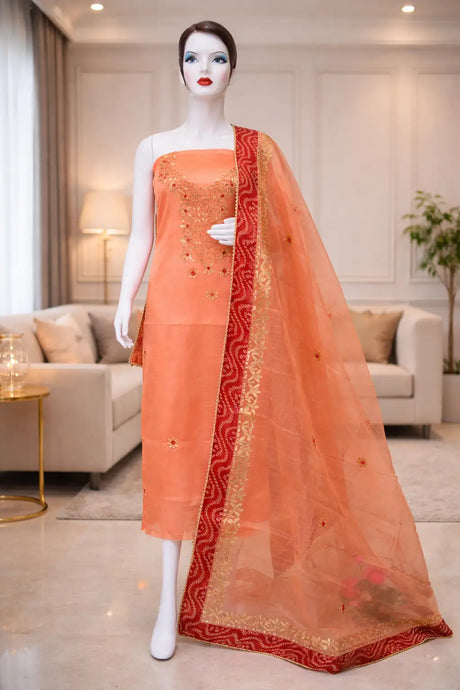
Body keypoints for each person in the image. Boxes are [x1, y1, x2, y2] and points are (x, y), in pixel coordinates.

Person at [114, 19, 453, 674]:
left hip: (240, 319)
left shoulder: (257, 149)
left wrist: (250, 227)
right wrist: (124, 300)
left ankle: (259, 584)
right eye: (193, 56)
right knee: (173, 450)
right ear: (178, 68)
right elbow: (140, 236)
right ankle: (167, 603)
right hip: (174, 318)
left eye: (218, 57)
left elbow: (291, 234)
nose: (204, 67)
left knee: (251, 451)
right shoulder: (152, 148)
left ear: (233, 69)